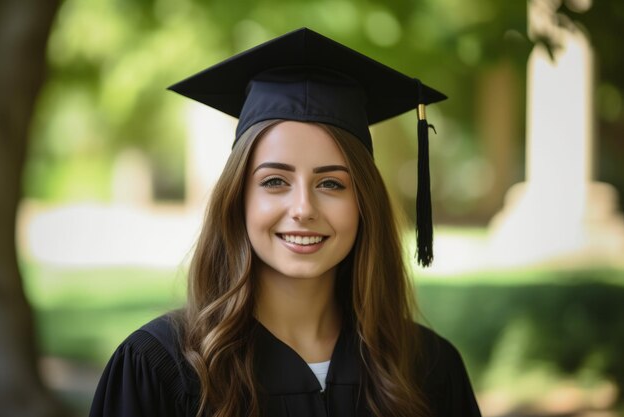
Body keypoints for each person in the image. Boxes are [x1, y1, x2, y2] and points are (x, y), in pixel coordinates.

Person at [89, 28, 482, 417]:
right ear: (238, 198)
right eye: (275, 181)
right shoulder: (160, 369)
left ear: (365, 203)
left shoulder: (428, 368)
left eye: (331, 183)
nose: (303, 208)